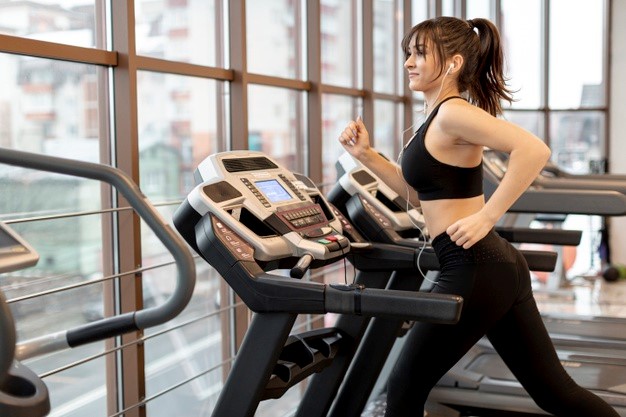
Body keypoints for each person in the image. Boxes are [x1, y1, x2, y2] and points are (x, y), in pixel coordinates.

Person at [338, 16, 619, 417]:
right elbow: (419, 196)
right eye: (407, 54)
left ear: (452, 63)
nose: (408, 63)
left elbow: (534, 150)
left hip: (473, 265)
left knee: (402, 393)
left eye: (419, 53)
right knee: (556, 393)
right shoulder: (436, 117)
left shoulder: (453, 113)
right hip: (489, 265)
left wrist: (487, 216)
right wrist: (366, 156)